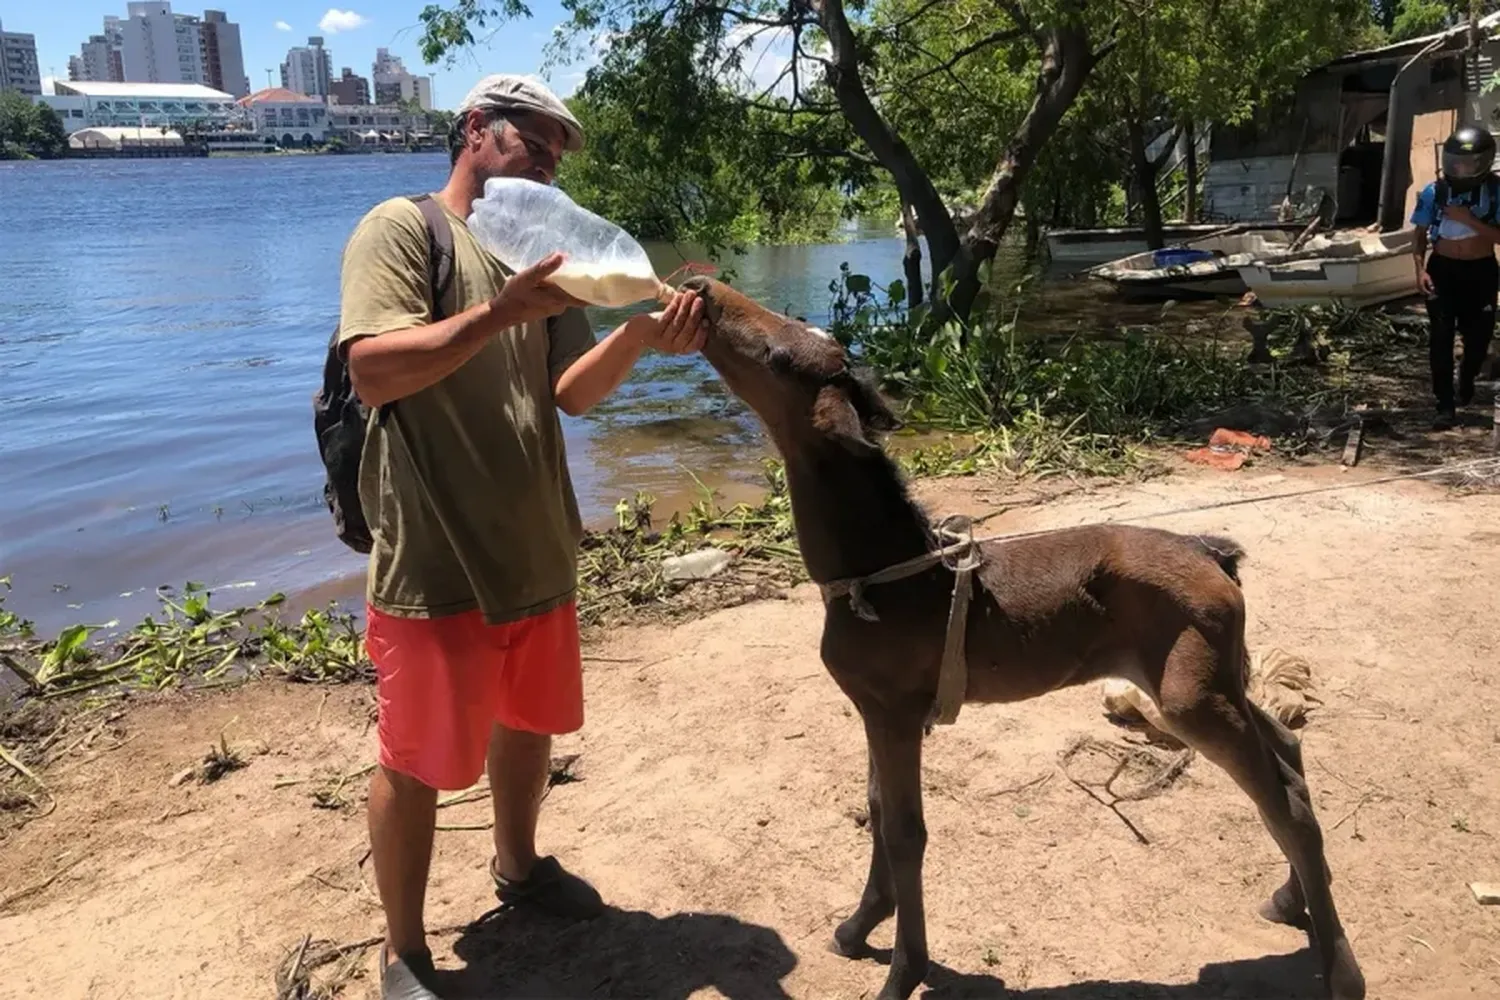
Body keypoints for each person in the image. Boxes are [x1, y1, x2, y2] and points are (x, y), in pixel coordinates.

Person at [336, 74, 706, 999]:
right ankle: (405, 949)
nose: (544, 160)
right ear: (475, 130)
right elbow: (375, 371)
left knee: (530, 723)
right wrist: (497, 313)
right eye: (529, 140)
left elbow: (569, 392)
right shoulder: (401, 229)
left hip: (537, 540)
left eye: (554, 151)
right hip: (436, 550)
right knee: (416, 757)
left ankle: (519, 866)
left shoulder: (540, 249)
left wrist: (640, 335)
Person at [1410, 123, 1500, 429]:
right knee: (1441, 338)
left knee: (1479, 337)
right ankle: (1444, 405)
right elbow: (1420, 234)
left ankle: (1468, 374)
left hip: (1481, 270)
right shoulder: (1435, 192)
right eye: (1455, 162)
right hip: (1443, 270)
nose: (1460, 168)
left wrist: (1468, 219)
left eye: (1468, 163)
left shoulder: (1495, 191)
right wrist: (1420, 269)